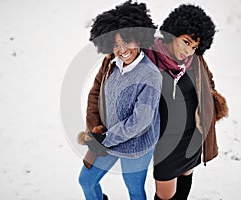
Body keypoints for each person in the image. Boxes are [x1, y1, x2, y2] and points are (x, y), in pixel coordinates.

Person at [77, 1, 162, 200]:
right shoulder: (111, 64)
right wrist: (95, 130)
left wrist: (105, 139)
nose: (122, 49)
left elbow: (140, 121)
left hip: (136, 145)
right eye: (116, 44)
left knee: (134, 191)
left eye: (127, 41)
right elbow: (96, 94)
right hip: (107, 138)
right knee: (86, 181)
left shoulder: (150, 75)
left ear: (139, 39)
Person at [144, 4, 228, 200]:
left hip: (191, 136)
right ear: (173, 33)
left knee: (185, 181)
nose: (189, 51)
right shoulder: (149, 58)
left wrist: (207, 107)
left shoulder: (196, 62)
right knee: (165, 196)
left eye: (195, 46)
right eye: (186, 42)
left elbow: (209, 84)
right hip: (165, 141)